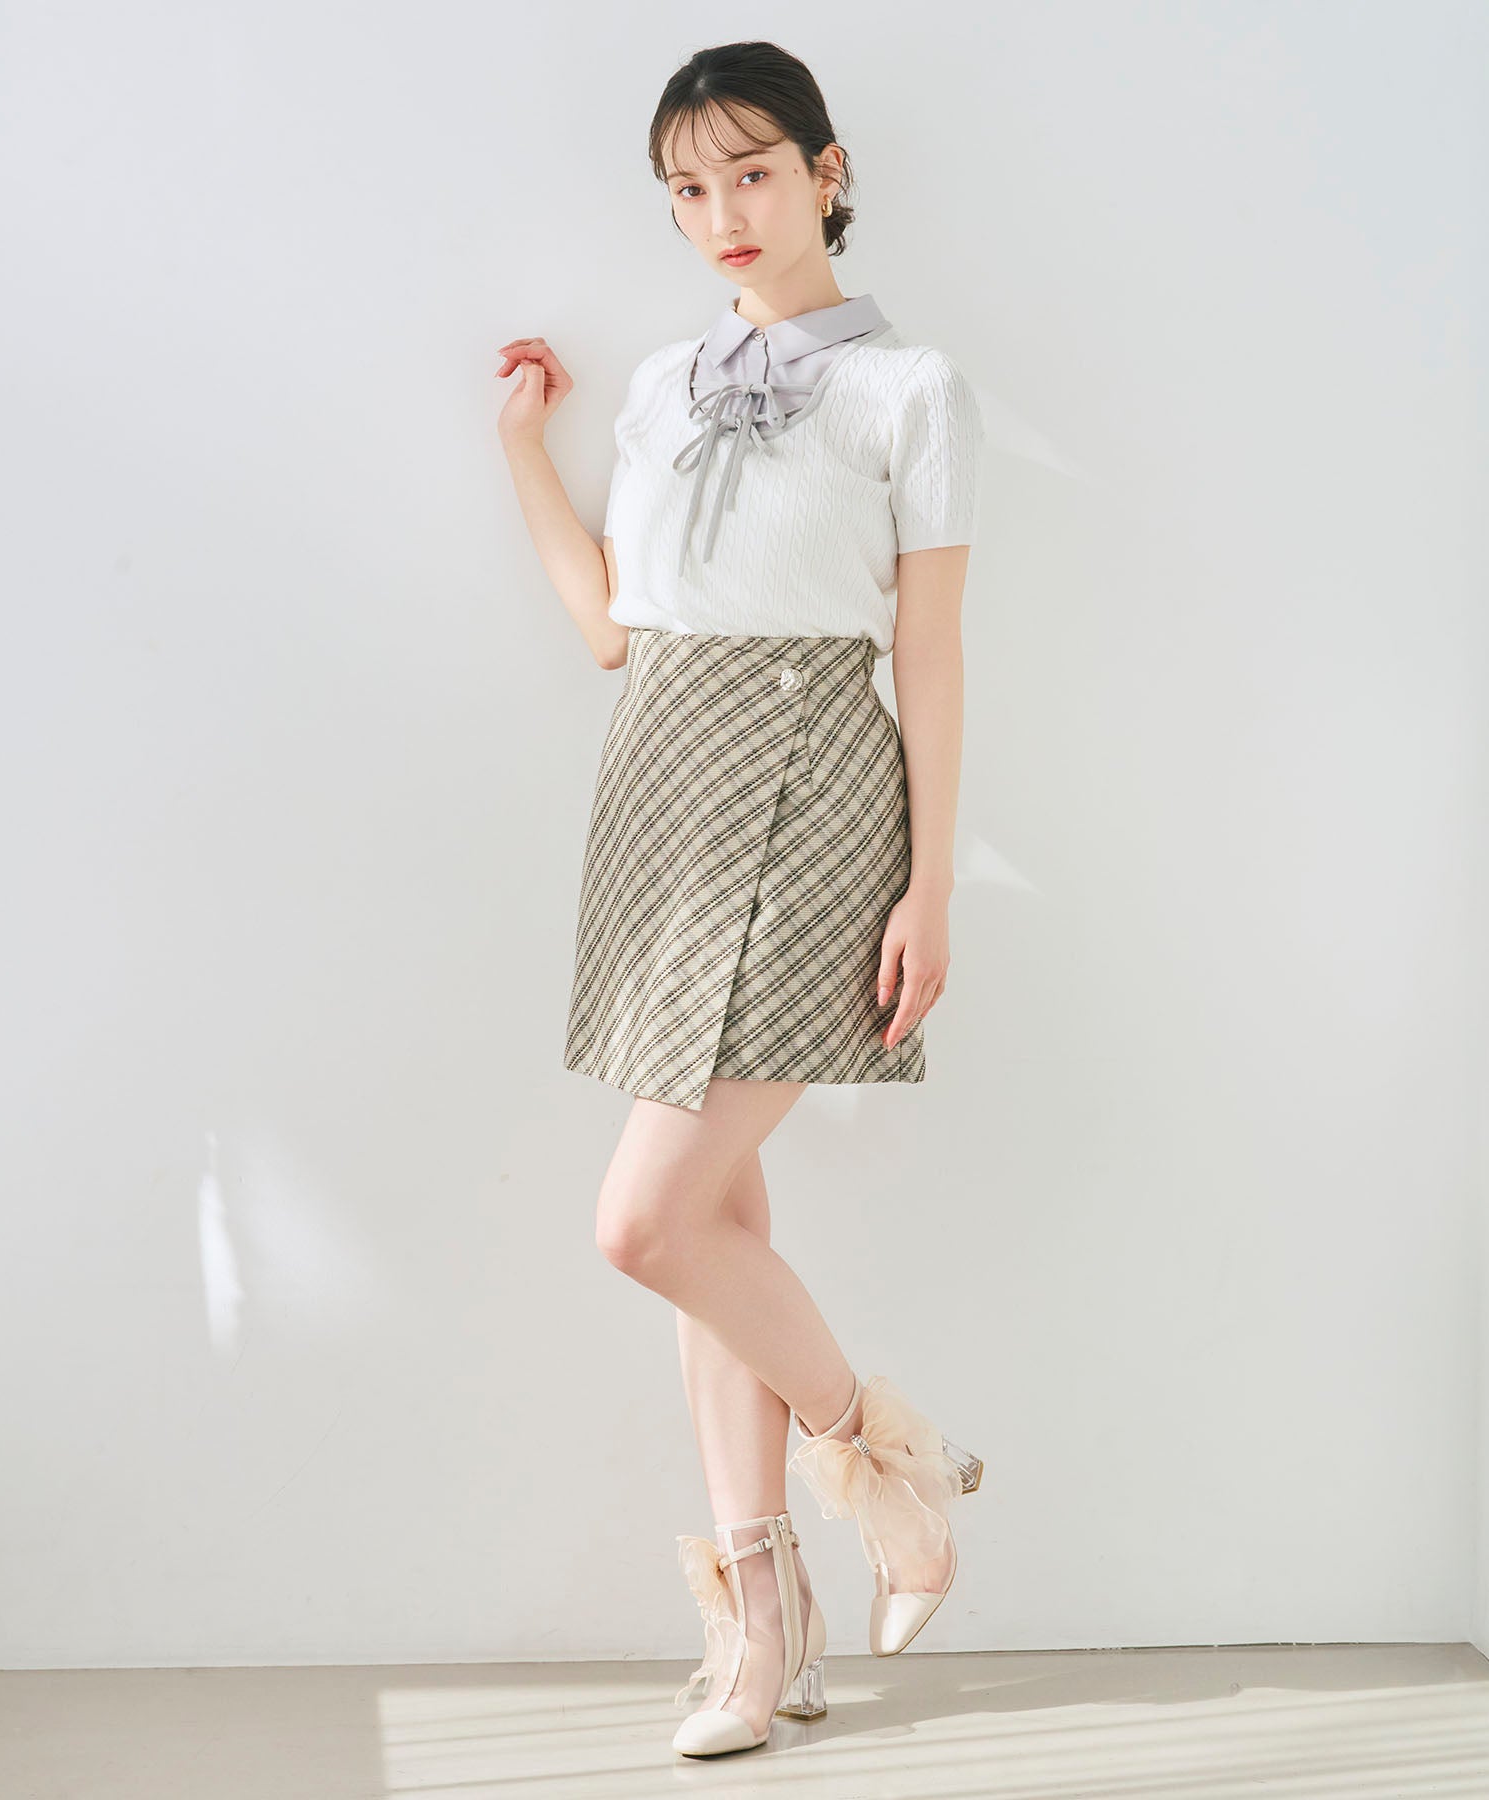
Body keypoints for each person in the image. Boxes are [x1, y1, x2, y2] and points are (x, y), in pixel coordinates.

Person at [496, 40, 986, 1762]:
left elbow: (930, 653)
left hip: (810, 780)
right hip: (664, 783)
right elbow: (612, 627)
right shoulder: (661, 386)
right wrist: (523, 454)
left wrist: (931, 881)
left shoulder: (910, 388)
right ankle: (763, 1636)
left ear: (828, 174)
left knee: (644, 1223)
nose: (722, 213)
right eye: (688, 189)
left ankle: (891, 1465)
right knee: (717, 1236)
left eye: (753, 173)